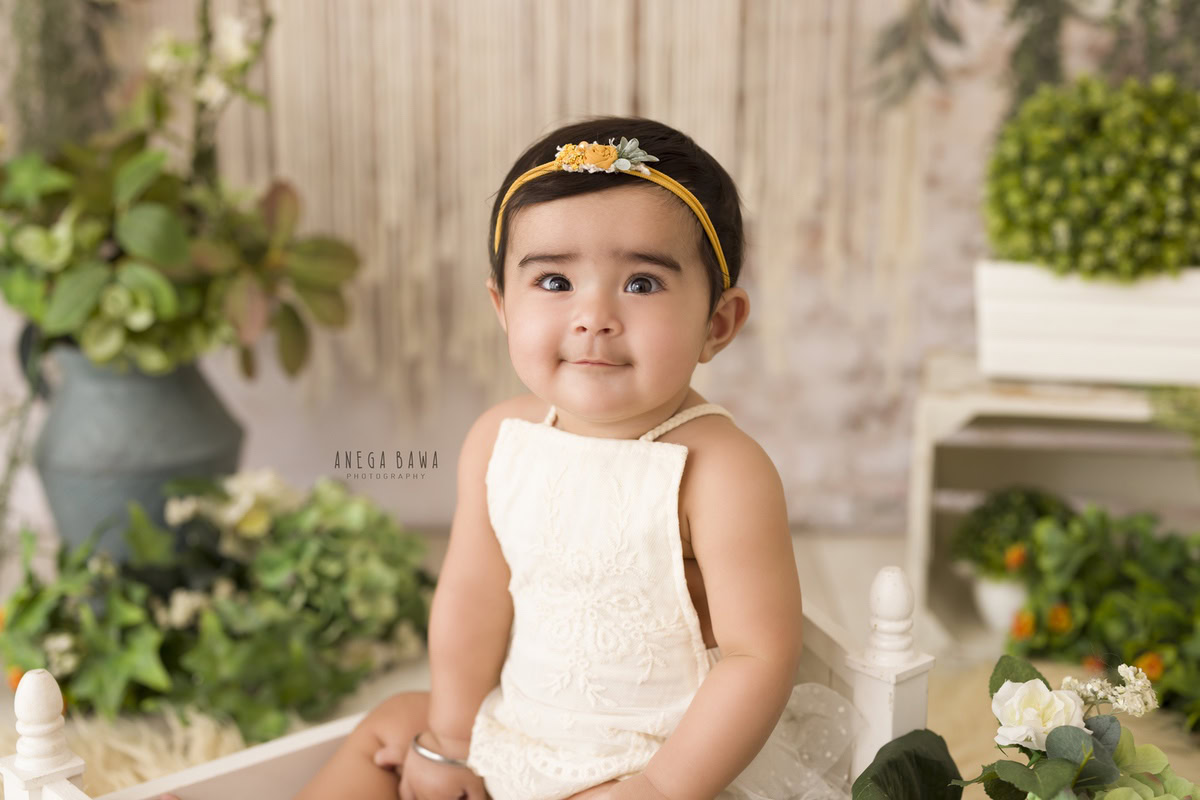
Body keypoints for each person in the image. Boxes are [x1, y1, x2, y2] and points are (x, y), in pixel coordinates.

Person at [243, 116, 858, 800]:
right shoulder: (501, 439)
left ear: (718, 323)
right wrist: (450, 739)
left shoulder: (721, 470)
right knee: (390, 726)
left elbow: (758, 657)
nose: (593, 315)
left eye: (643, 284)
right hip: (520, 724)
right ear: (503, 307)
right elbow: (472, 597)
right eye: (556, 283)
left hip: (652, 758)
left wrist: (658, 787)